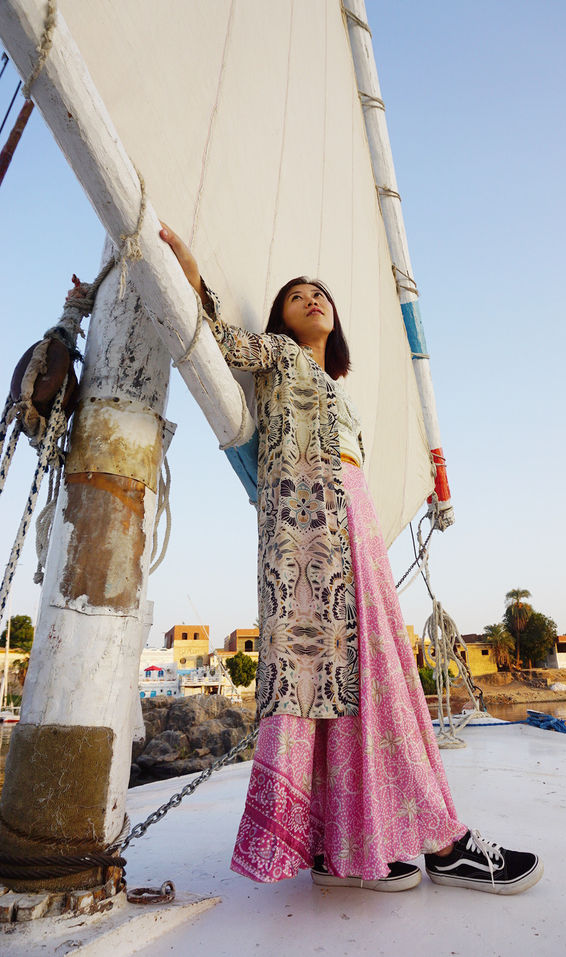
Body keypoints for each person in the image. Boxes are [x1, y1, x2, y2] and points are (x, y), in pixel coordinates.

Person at [160, 225, 544, 895]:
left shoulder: (333, 382)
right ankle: (443, 841)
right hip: (316, 529)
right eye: (296, 295)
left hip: (346, 520)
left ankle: (341, 846)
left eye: (319, 294)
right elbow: (225, 342)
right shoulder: (280, 354)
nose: (311, 299)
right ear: (281, 316)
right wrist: (193, 279)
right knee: (374, 676)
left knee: (355, 680)